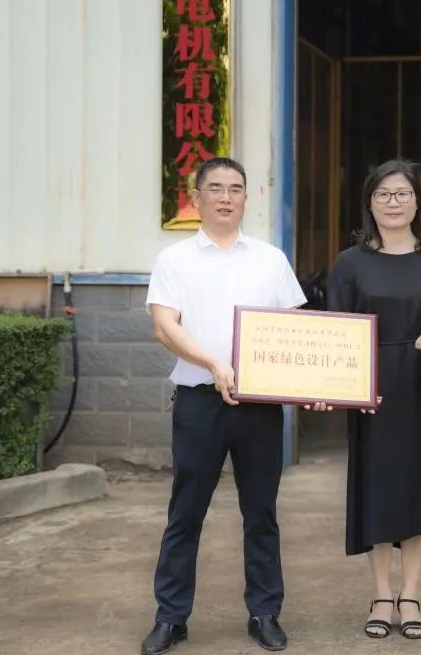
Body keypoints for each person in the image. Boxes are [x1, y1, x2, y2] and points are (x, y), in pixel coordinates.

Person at [306, 159, 421, 640]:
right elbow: (336, 332)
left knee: (420, 486)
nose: (393, 202)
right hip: (374, 392)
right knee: (379, 488)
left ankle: (411, 594)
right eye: (383, 194)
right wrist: (330, 388)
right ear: (369, 203)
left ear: (416, 203)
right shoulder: (349, 263)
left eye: (402, 194)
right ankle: (381, 594)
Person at [141, 157, 307, 655]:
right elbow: (164, 327)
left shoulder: (270, 259)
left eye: (236, 188)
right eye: (215, 188)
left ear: (246, 198)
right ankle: (171, 617)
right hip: (200, 403)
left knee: (261, 513)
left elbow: (295, 330)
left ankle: (265, 613)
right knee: (185, 513)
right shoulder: (175, 259)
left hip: (258, 407)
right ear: (197, 198)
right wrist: (213, 364)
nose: (226, 197)